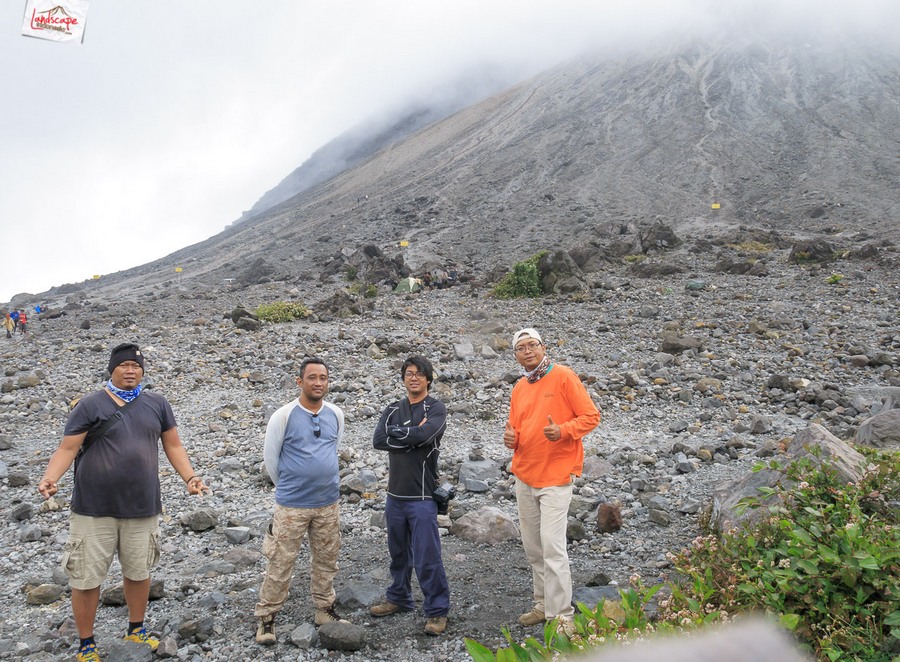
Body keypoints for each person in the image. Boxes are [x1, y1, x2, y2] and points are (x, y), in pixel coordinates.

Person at [37, 343, 208, 662]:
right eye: (124, 365)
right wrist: (51, 477)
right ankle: (86, 645)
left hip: (142, 505)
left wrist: (190, 477)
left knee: (139, 571)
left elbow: (173, 445)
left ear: (143, 371)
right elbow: (67, 449)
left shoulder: (157, 403)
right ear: (111, 369)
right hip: (93, 508)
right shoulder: (90, 405)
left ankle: (136, 629)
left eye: (136, 366)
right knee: (86, 577)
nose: (131, 370)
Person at [503, 328, 600, 634]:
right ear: (516, 355)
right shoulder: (519, 387)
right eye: (521, 348)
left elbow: (590, 416)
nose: (528, 351)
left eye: (533, 345)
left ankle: (562, 618)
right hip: (525, 473)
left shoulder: (563, 376)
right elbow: (517, 428)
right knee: (533, 547)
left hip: (556, 475)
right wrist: (511, 438)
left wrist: (563, 431)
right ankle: (543, 604)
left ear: (544, 347)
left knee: (553, 547)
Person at [255, 357, 349, 646]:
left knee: (326, 560)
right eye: (312, 377)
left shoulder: (336, 414)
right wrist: (289, 487)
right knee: (280, 561)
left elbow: (335, 448)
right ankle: (267, 618)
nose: (318, 383)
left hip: (328, 503)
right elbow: (271, 460)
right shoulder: (283, 416)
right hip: (292, 505)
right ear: (300, 381)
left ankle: (324, 609)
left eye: (323, 378)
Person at [370, 355, 451, 636]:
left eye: (419, 373)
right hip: (395, 496)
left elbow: (426, 437)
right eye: (408, 373)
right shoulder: (393, 408)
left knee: (428, 557)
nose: (413, 377)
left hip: (422, 497)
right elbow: (379, 440)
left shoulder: (436, 408)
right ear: (403, 378)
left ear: (429, 378)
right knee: (398, 554)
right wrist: (412, 433)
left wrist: (403, 435)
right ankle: (399, 598)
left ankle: (438, 610)